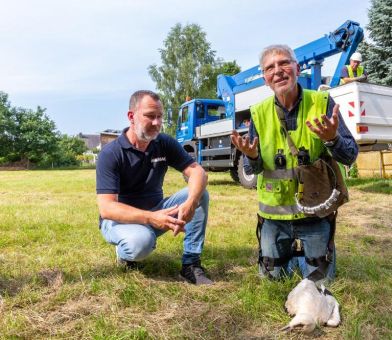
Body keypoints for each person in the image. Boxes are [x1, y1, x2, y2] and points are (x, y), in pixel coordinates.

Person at [230, 45, 359, 283]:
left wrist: (333, 139)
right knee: (270, 283)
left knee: (321, 284)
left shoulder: (322, 102)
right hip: (273, 219)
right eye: (270, 68)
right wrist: (251, 157)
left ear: (298, 68)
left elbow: (350, 155)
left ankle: (303, 259)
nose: (278, 71)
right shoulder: (259, 113)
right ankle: (294, 258)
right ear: (265, 79)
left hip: (316, 215)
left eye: (284, 63)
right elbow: (252, 171)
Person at [96, 90, 213, 285]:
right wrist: (151, 218)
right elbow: (107, 208)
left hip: (157, 212)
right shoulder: (112, 153)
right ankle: (125, 253)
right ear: (131, 116)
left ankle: (191, 264)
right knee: (141, 243)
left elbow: (198, 173)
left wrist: (191, 202)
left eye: (159, 117)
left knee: (200, 194)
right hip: (120, 221)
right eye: (150, 116)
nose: (157, 123)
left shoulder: (163, 142)